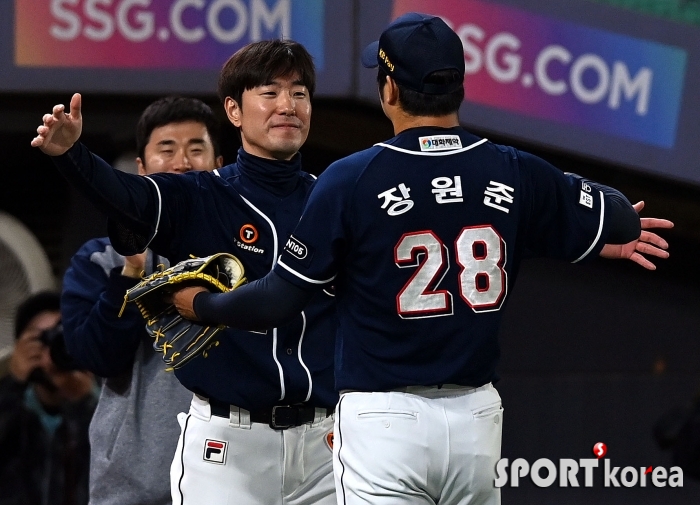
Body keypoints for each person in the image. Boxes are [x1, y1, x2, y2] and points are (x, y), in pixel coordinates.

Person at [168, 13, 675, 505]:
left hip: (385, 421)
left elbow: (277, 300)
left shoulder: (353, 178)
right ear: (459, 87)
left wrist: (204, 306)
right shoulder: (515, 170)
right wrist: (585, 227)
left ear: (389, 90)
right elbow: (620, 219)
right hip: (476, 419)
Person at [31, 40, 338, 505]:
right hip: (228, 444)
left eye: (299, 93)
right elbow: (125, 196)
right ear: (234, 111)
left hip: (324, 442)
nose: (287, 106)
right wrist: (72, 155)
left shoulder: (335, 197)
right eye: (270, 93)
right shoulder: (197, 197)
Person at [60, 96, 223, 505]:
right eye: (167, 149)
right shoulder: (101, 259)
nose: (182, 161)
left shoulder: (243, 256)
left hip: (230, 478)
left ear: (218, 164)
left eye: (196, 148)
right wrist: (131, 273)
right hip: (133, 484)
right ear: (142, 168)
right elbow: (98, 358)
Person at [0, 291, 97, 505]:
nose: (53, 349)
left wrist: (83, 403)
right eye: (42, 339)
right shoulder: (12, 409)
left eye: (61, 336)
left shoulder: (102, 406)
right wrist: (13, 383)